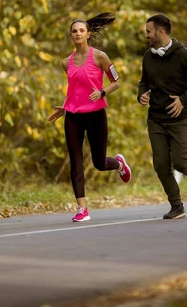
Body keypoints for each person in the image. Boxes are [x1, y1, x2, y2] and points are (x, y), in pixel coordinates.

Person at [48, 12, 132, 222]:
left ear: (88, 34)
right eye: (74, 31)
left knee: (99, 163)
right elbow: (73, 90)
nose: (78, 34)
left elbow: (116, 81)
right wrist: (65, 107)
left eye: (81, 31)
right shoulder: (65, 62)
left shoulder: (100, 57)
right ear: (71, 35)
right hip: (73, 117)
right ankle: (82, 208)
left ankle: (119, 164)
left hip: (96, 115)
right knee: (75, 162)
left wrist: (102, 92)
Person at [137, 14, 187, 219]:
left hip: (180, 118)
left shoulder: (183, 54)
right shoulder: (148, 56)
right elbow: (144, 81)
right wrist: (141, 94)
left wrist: (184, 100)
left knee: (180, 163)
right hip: (156, 118)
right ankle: (176, 205)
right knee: (160, 164)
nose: (146, 36)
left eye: (149, 32)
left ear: (161, 32)